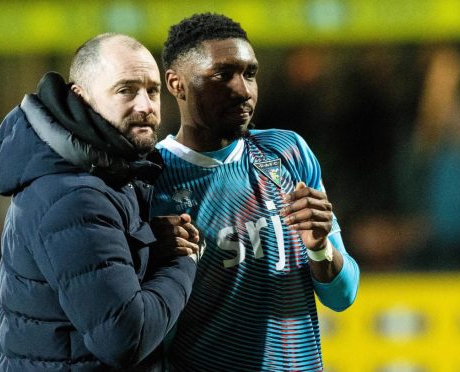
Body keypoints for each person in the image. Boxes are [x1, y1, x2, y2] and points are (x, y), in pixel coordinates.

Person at [151, 13, 360, 371]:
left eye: (250, 74)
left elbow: (343, 295)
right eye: (223, 75)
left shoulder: (287, 151)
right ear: (176, 84)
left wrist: (321, 248)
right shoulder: (150, 178)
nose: (244, 90)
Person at [0, 33, 201, 371]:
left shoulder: (109, 173)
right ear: (81, 97)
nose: (145, 106)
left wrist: (147, 248)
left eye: (152, 90)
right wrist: (182, 260)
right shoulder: (75, 195)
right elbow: (126, 337)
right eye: (126, 90)